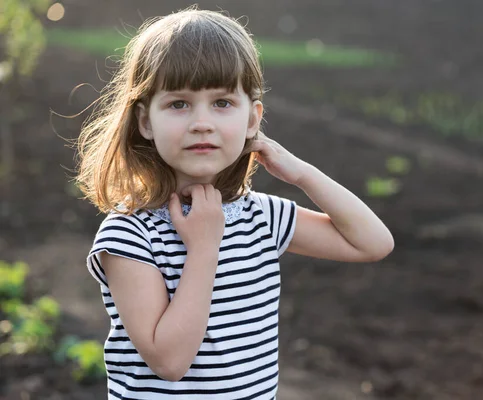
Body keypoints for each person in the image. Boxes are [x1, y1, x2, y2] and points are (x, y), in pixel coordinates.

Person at [76, 6, 394, 399]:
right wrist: (204, 248)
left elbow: (373, 243)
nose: (201, 122)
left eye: (222, 103)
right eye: (179, 104)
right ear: (145, 121)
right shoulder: (130, 233)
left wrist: (302, 175)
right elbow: (170, 362)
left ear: (252, 119)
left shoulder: (261, 216)